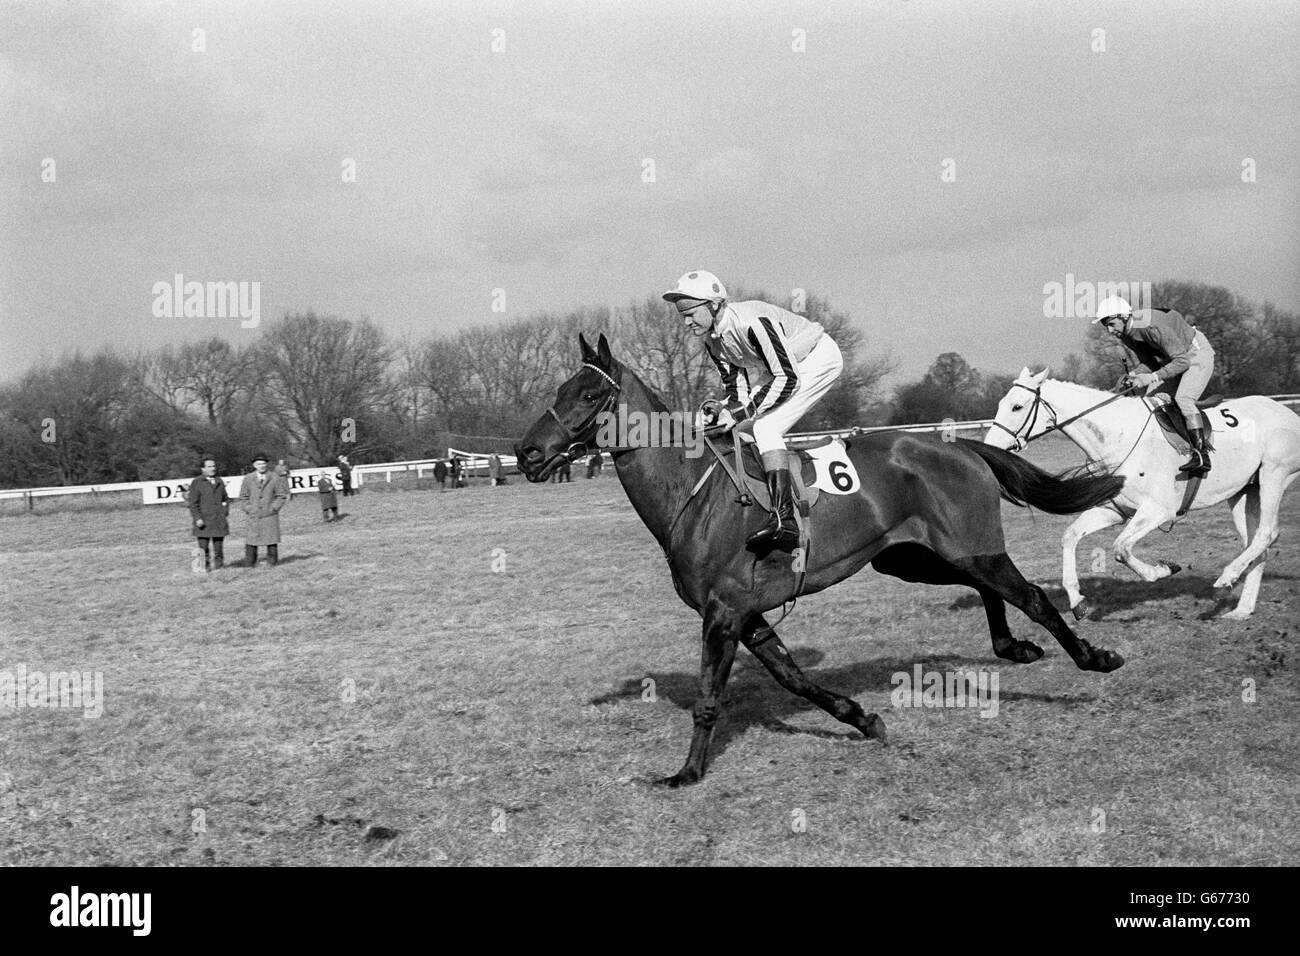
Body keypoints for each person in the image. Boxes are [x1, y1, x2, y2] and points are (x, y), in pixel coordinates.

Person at [663, 269, 843, 551]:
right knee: (742, 425)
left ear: (713, 304)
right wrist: (723, 412)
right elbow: (738, 393)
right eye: (681, 313)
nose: (686, 321)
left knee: (765, 428)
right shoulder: (713, 341)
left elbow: (787, 378)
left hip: (818, 359)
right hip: (787, 369)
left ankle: (786, 521)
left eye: (690, 312)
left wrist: (739, 414)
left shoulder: (752, 324)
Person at [1094, 295, 1216, 475]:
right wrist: (1134, 375)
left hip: (1195, 354)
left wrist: (1151, 378)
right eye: (1106, 326)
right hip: (1175, 358)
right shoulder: (1127, 334)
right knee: (1150, 402)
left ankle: (1201, 456)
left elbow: (1182, 362)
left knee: (1183, 399)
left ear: (1123, 316)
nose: (1110, 331)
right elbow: (1149, 363)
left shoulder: (1152, 327)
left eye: (1111, 324)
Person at [239, 452, 289, 567]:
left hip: (270, 515)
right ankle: (250, 563)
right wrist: (249, 508)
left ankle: (272, 562)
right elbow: (243, 497)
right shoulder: (248, 478)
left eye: (264, 463)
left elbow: (281, 495)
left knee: (271, 540)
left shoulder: (274, 477)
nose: (262, 466)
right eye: (259, 464)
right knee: (252, 540)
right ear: (254, 465)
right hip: (254, 515)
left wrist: (274, 508)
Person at [186, 457, 229, 571]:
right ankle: (205, 567)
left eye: (214, 466)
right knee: (203, 547)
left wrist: (224, 511)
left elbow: (225, 499)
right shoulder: (197, 482)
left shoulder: (219, 481)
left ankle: (220, 567)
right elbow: (193, 503)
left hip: (218, 520)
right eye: (209, 466)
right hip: (203, 521)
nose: (213, 468)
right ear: (203, 469)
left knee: (218, 547)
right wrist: (197, 518)